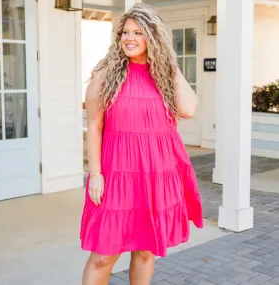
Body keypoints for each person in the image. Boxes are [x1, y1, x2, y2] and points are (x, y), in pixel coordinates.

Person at [80, 3, 203, 285]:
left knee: (145, 251)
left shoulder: (164, 77)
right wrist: (96, 174)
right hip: (116, 175)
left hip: (156, 175)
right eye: (125, 32)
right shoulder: (105, 76)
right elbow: (95, 126)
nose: (129, 38)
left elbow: (189, 109)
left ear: (154, 37)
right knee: (102, 255)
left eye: (138, 32)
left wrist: (171, 66)